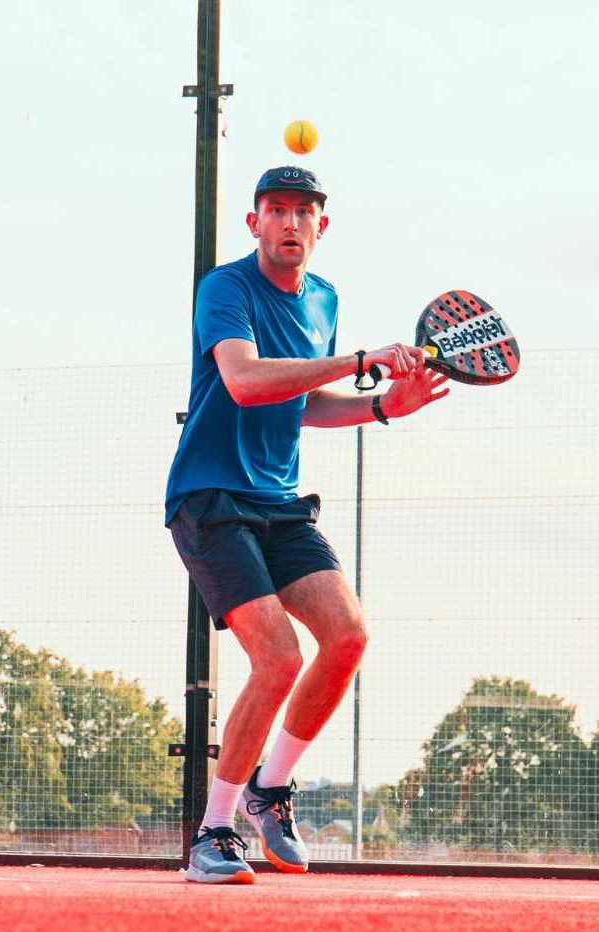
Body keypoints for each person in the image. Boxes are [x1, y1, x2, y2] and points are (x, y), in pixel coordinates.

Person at [166, 165, 449, 884]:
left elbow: (304, 402)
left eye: (303, 212)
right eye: (276, 209)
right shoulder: (225, 289)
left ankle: (268, 791)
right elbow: (245, 381)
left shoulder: (324, 298)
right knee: (278, 658)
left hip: (281, 502)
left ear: (322, 227)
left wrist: (383, 406)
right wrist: (359, 361)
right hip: (211, 499)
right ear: (254, 222)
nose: (290, 222)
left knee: (347, 636)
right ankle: (212, 834)